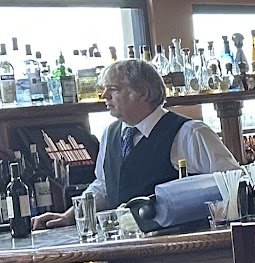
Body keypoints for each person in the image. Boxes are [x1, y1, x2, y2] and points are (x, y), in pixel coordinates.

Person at [33, 58, 240, 229]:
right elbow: (104, 187)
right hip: (125, 245)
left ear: (143, 93)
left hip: (179, 247)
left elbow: (232, 183)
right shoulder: (110, 134)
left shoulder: (190, 132)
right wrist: (69, 216)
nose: (104, 96)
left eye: (113, 89)